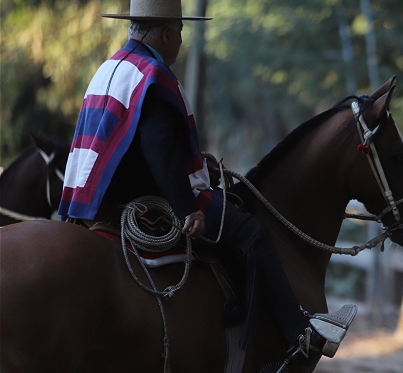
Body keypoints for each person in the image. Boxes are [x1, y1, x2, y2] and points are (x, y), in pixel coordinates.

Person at [58, 0, 355, 367]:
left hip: (92, 197)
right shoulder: (153, 73)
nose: (180, 43)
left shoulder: (112, 66)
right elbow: (159, 149)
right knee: (250, 233)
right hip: (138, 197)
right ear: (167, 33)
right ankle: (298, 334)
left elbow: (124, 146)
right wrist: (187, 207)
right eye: (180, 33)